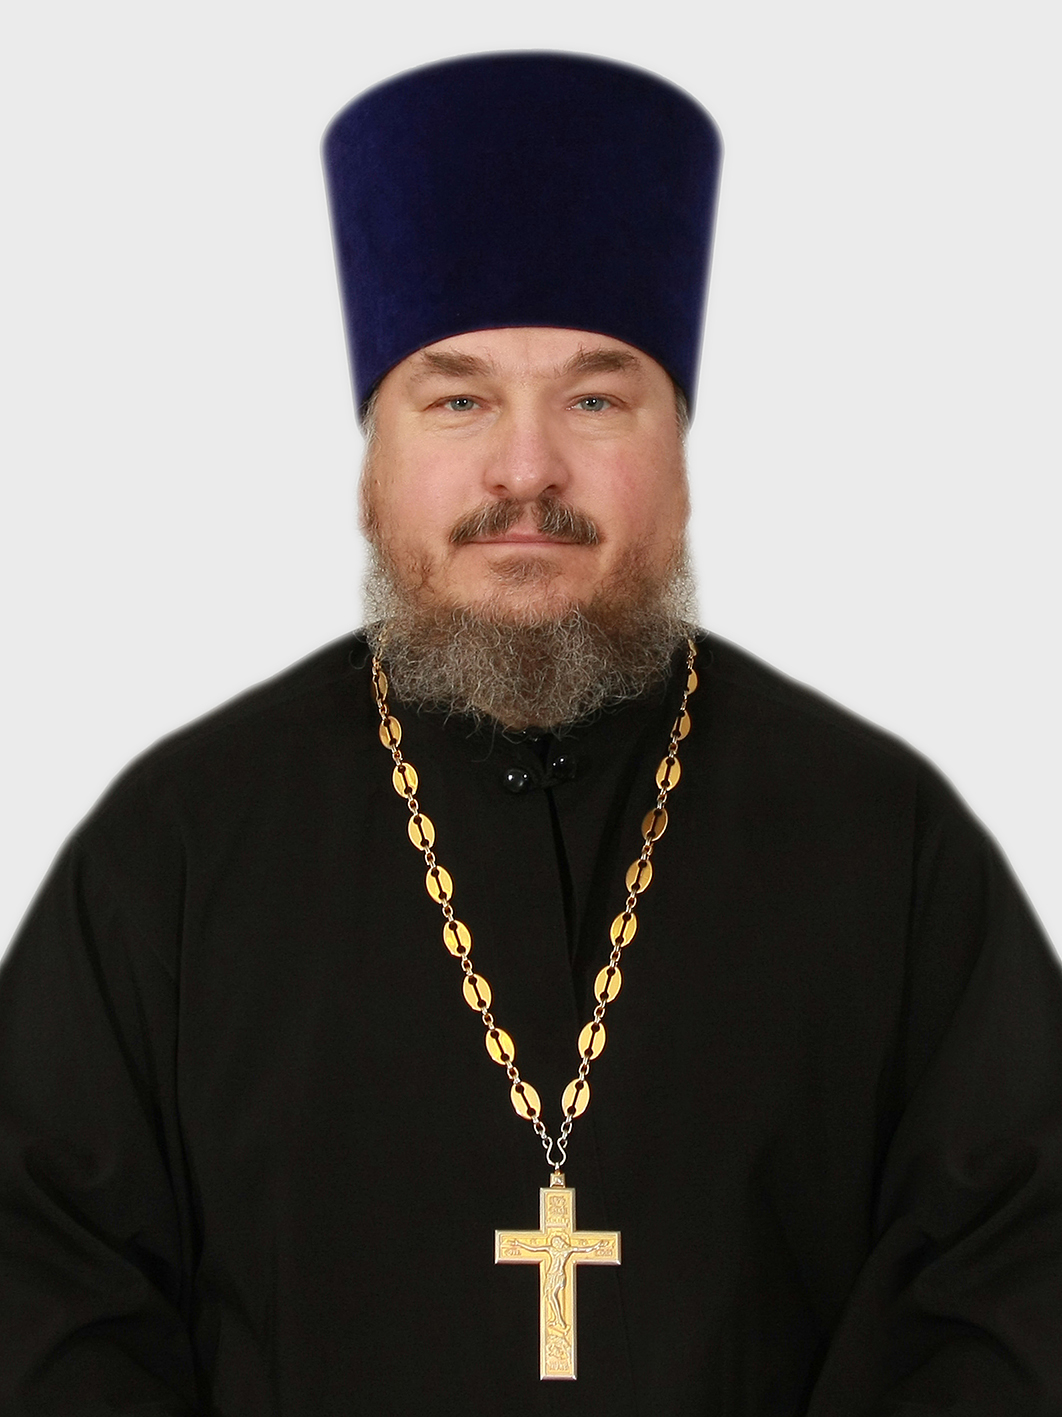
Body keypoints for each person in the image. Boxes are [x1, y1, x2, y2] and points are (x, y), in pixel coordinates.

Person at [1, 50, 1060, 1416]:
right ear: (372, 464)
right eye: (457, 399)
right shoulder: (179, 847)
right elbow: (45, 1294)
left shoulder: (882, 838)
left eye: (595, 398)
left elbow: (1011, 1288)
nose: (525, 470)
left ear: (679, 453)